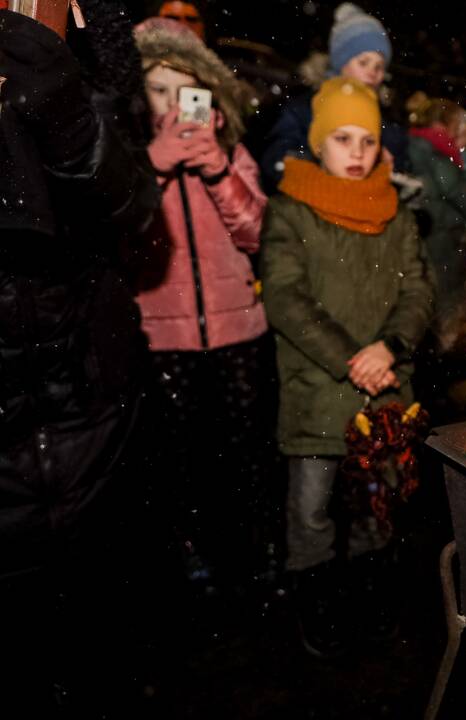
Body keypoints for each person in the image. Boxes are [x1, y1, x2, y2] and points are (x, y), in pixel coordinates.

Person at [0, 6, 160, 712]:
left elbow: (129, 203)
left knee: (97, 636)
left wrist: (61, 92)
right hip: (12, 419)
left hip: (90, 403)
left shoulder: (93, 52)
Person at [260, 77, 434, 658]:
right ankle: (318, 610)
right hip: (318, 391)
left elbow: (419, 294)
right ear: (319, 142)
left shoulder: (397, 214)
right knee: (311, 513)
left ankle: (369, 602)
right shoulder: (290, 210)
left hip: (384, 392)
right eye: (342, 138)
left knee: (376, 508)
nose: (356, 153)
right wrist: (349, 359)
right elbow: (285, 297)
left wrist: (390, 346)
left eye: (366, 139)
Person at [131, 17, 273, 595]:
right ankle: (192, 560)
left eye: (184, 88)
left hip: (238, 329)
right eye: (158, 87)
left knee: (243, 455)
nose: (171, 102)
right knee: (180, 463)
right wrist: (155, 165)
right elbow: (122, 232)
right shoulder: (127, 157)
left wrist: (215, 166)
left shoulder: (230, 148)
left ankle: (250, 555)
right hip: (163, 339)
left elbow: (257, 232)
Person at [260, 2, 409, 187]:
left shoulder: (385, 117)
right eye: (364, 63)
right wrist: (318, 166)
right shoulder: (306, 107)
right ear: (341, 63)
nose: (373, 72)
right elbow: (277, 159)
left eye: (379, 66)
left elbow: (400, 163)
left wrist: (387, 170)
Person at [406, 95, 466, 347]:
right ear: (444, 123)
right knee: (444, 298)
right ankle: (442, 355)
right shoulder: (435, 147)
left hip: (431, 231)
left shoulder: (416, 143)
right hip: (441, 236)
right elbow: (455, 191)